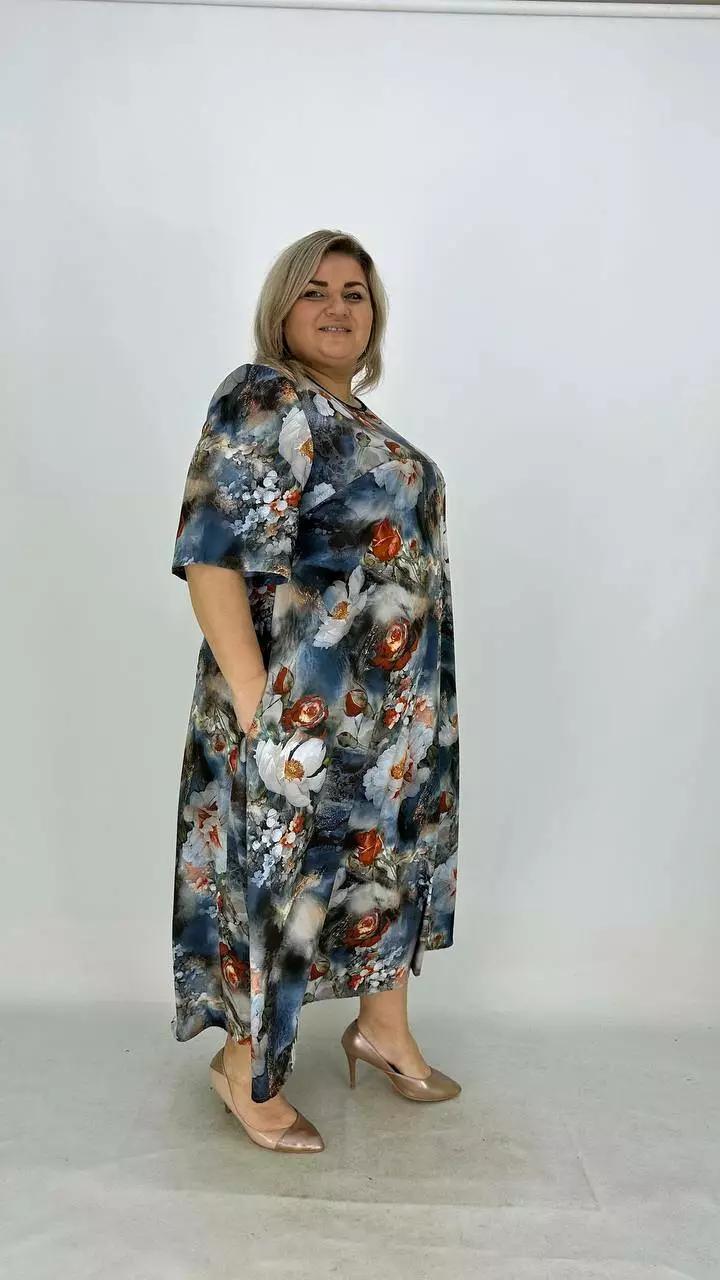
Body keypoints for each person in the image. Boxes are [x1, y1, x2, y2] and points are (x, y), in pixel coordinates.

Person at [170, 229, 461, 1154]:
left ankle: (383, 1030)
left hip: (389, 714)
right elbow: (213, 553)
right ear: (282, 308)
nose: (339, 307)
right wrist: (253, 696)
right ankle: (242, 1066)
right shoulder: (265, 396)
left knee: (387, 865)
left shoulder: (359, 418)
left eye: (355, 293)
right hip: (297, 706)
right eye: (316, 291)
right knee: (279, 884)